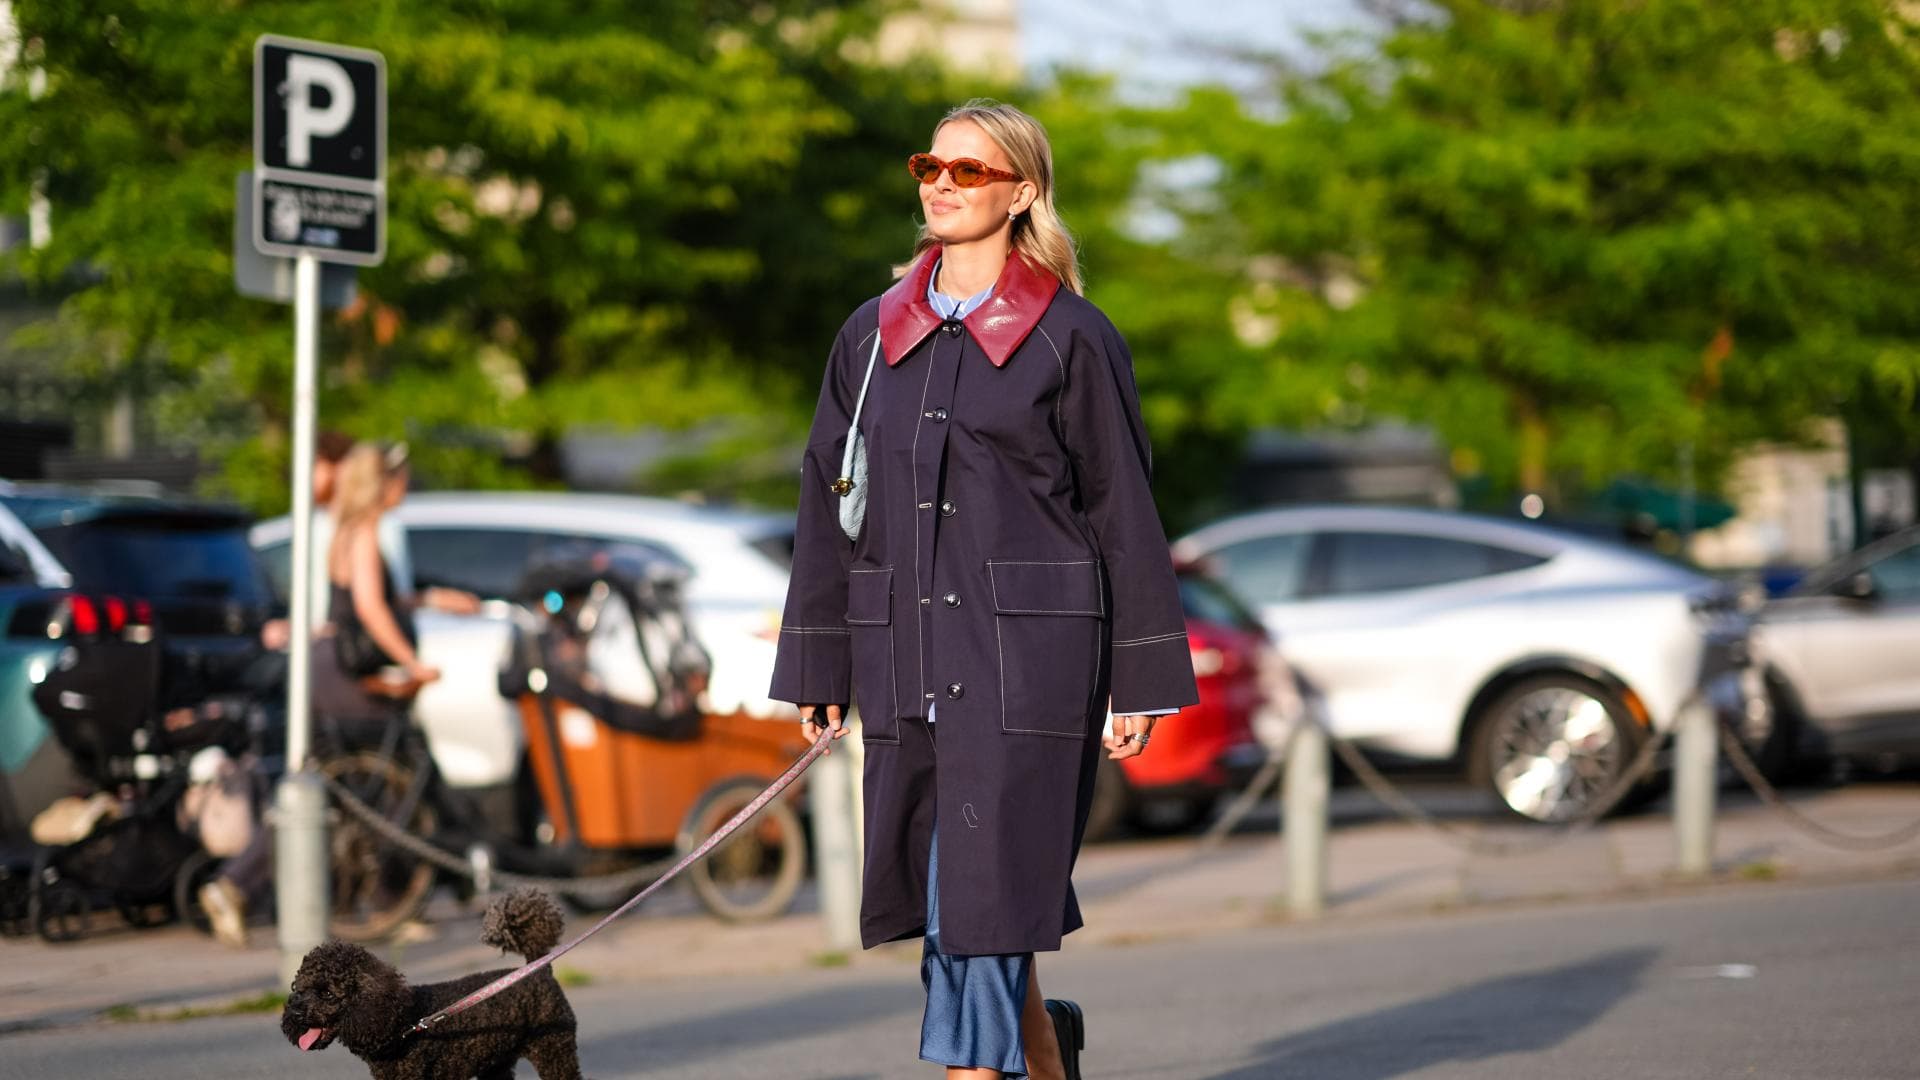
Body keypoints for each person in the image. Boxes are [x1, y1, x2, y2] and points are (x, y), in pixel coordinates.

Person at [770, 100, 1198, 1080]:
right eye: (930, 166)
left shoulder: (1072, 337)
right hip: (903, 659)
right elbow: (827, 502)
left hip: (1028, 667)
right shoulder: (870, 337)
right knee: (958, 904)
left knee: (987, 903)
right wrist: (819, 663)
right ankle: (1046, 1057)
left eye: (970, 170)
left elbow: (1123, 511)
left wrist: (1139, 680)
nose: (942, 184)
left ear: (1022, 193)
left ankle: (973, 1074)